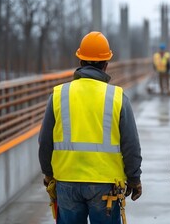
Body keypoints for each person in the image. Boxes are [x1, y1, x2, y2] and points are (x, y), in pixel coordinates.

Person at [38, 31, 142, 224]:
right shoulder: (117, 97)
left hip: (67, 181)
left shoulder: (59, 95)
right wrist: (134, 178)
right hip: (106, 185)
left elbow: (45, 141)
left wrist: (48, 174)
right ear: (106, 64)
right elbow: (131, 145)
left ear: (80, 62)